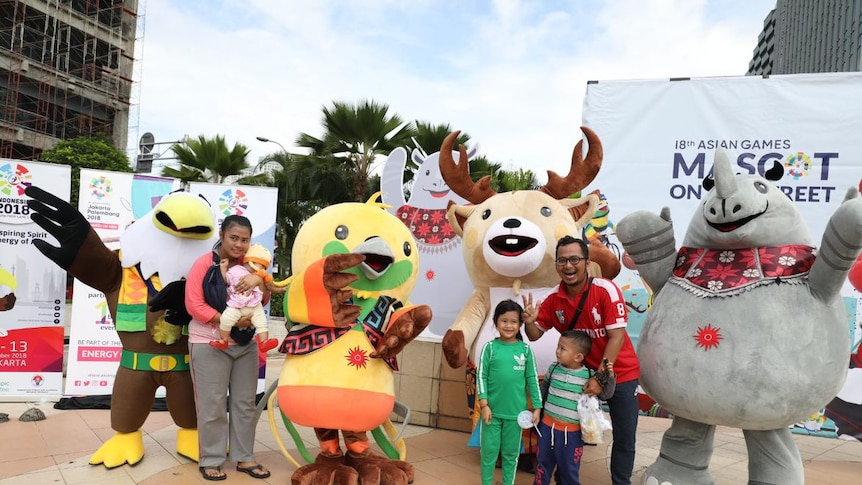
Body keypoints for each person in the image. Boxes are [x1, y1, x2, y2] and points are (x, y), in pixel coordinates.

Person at [523, 235, 640, 485]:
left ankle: (621, 482)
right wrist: (529, 321)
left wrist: (600, 377)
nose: (568, 266)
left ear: (587, 262)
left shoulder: (606, 290)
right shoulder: (554, 299)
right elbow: (534, 336)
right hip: (582, 379)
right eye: (562, 260)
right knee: (572, 431)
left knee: (624, 437)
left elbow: (616, 337)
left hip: (621, 373)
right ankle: (562, 477)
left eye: (574, 259)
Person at [185, 215, 272, 481]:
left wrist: (261, 281)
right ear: (222, 235)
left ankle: (244, 457)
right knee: (212, 405)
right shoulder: (204, 264)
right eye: (234, 238)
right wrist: (229, 320)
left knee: (245, 403)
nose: (239, 245)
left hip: (245, 344)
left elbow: (263, 299)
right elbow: (194, 305)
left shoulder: (253, 266)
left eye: (244, 240)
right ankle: (211, 459)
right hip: (210, 343)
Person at [477, 299, 542, 485]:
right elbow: (481, 376)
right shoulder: (489, 348)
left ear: (521, 324)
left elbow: (532, 380)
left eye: (513, 321)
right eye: (504, 320)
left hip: (515, 415)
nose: (508, 325)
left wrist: (537, 407)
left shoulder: (526, 350)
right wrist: (484, 404)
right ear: (496, 322)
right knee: (488, 453)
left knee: (510, 454)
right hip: (492, 413)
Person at [535, 330, 594, 485]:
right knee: (542, 465)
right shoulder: (553, 368)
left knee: (569, 469)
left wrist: (609, 376)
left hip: (572, 434)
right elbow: (544, 389)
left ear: (578, 357)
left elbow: (606, 394)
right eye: (558, 347)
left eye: (563, 348)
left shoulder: (588, 376)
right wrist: (536, 407)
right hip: (547, 428)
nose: (557, 351)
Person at [210, 243, 278, 352]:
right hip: (236, 304)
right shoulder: (236, 270)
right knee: (226, 319)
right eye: (261, 265)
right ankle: (224, 340)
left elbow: (267, 290)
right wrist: (223, 268)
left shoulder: (260, 276)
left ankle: (264, 342)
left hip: (254, 304)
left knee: (261, 321)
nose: (262, 269)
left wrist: (262, 281)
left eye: (264, 267)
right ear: (252, 262)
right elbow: (225, 281)